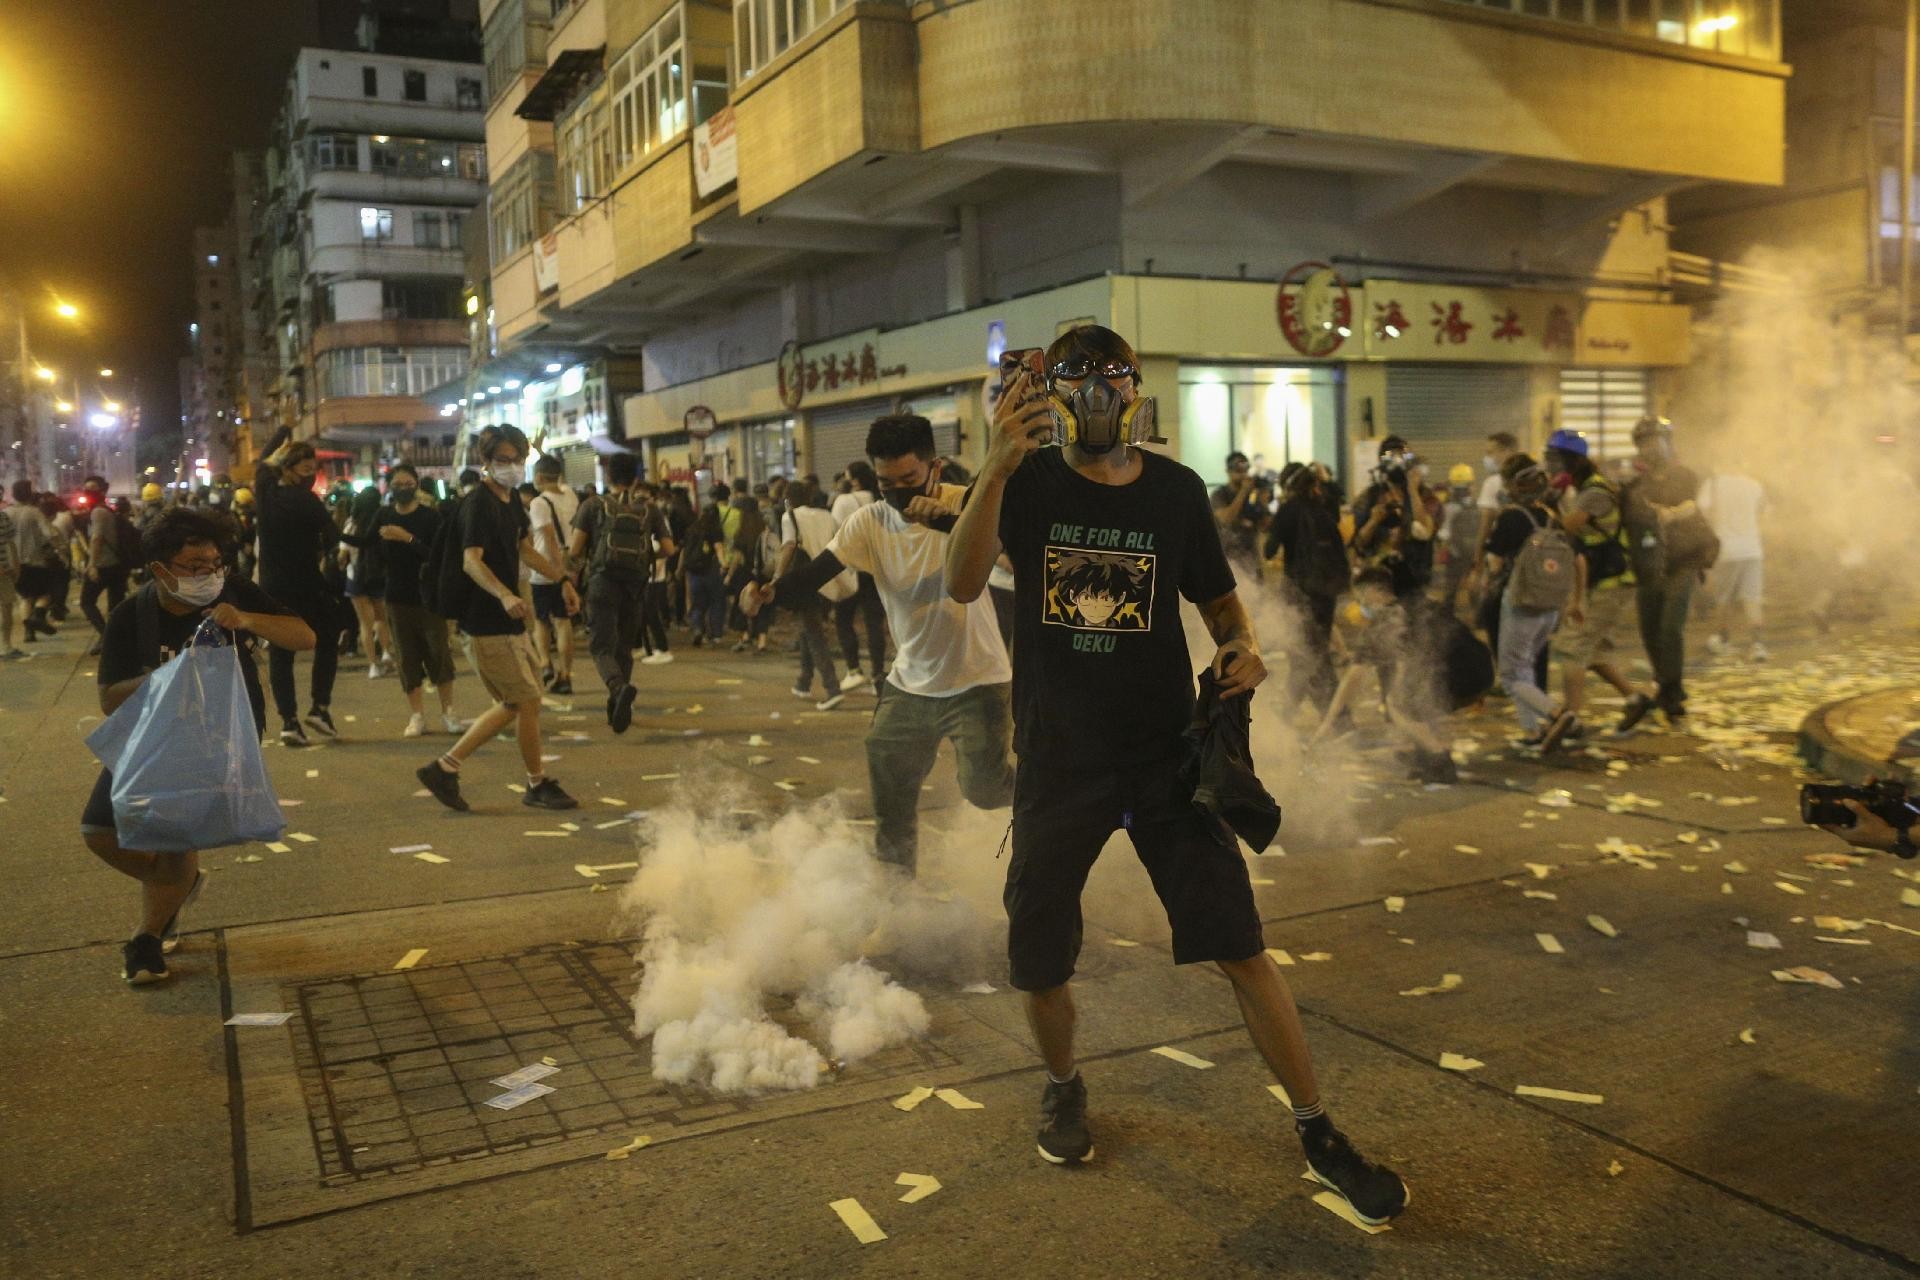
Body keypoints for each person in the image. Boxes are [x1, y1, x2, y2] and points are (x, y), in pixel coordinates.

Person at [943, 324, 1407, 1224]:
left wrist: (1245, 650)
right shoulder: (1027, 484)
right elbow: (963, 584)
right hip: (1058, 763)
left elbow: (1222, 606)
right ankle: (1064, 1085)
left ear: (1135, 390)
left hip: (1164, 757)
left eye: (1110, 381)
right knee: (1039, 958)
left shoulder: (1177, 491)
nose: (1097, 399)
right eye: (1077, 383)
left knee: (1240, 945)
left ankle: (1319, 1131)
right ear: (1053, 397)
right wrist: (995, 465)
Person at [756, 418, 1017, 869]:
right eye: (885, 483)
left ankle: (1052, 796)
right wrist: (767, 593)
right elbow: (814, 577)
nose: (896, 493)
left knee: (985, 789)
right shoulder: (869, 522)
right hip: (910, 684)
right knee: (891, 788)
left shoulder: (971, 503)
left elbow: (1014, 559)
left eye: (908, 481)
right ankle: (897, 907)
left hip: (977, 679)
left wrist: (949, 523)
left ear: (934, 468)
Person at [86, 508, 315, 985]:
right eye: (193, 566)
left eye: (214, 564)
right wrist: (168, 678)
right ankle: (177, 884)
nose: (207, 575)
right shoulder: (133, 615)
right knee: (98, 830)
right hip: (151, 740)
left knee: (175, 839)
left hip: (220, 741)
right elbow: (109, 699)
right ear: (160, 571)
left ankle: (146, 939)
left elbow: (304, 637)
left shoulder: (234, 594)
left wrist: (248, 618)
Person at [415, 425, 582, 812]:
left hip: (508, 621)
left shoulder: (509, 502)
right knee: (519, 701)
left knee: (525, 703)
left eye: (518, 459)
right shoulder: (478, 504)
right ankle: (457, 768)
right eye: (503, 460)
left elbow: (525, 549)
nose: (512, 467)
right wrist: (505, 594)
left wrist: (562, 580)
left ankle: (462, 770)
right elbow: (471, 561)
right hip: (485, 620)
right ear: (486, 462)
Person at [1313, 568, 1489, 783]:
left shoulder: (1387, 621)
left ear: (1375, 591)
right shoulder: (1414, 604)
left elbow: (1352, 679)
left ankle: (1439, 761)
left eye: (1361, 597)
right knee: (1411, 692)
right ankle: (1424, 752)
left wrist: (1328, 722)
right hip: (1482, 670)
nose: (1361, 605)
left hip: (1465, 677)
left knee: (1398, 704)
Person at [1544, 431, 1654, 735]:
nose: (1553, 466)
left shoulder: (1595, 491)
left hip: (1613, 580)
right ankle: (1634, 699)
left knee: (1572, 646)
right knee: (1594, 651)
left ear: (1574, 461)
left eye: (1557, 460)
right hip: (1602, 578)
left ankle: (1571, 718)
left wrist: (1546, 505)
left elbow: (1566, 528)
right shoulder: (1587, 487)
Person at [1483, 461, 1585, 751]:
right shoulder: (1553, 516)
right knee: (1524, 669)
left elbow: (1495, 561)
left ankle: (1559, 715)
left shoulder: (1511, 517)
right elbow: (1576, 559)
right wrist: (1575, 600)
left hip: (1520, 603)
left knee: (1511, 675)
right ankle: (1531, 732)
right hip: (1550, 607)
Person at [569, 452, 674, 733]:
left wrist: (569, 578)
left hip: (602, 582)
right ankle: (617, 704)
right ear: (637, 479)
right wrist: (646, 556)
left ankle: (617, 688)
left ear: (607, 476)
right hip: (635, 584)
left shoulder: (592, 505)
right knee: (624, 646)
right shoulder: (649, 510)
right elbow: (669, 549)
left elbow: (576, 550)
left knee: (601, 645)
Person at [253, 429, 343, 747]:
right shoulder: (309, 502)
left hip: (273, 586)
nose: (310, 476)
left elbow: (262, 461)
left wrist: (282, 433)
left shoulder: (264, 494)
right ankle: (319, 707)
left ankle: (289, 721)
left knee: (282, 652)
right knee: (328, 638)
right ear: (290, 469)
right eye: (306, 470)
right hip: (307, 585)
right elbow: (332, 539)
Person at [1620, 415, 1707, 729]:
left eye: (1655, 440)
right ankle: (1664, 683)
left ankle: (1673, 696)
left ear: (1668, 442)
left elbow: (1693, 505)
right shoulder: (1633, 486)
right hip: (1647, 566)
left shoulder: (1685, 476)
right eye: (1644, 442)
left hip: (1681, 562)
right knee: (1651, 631)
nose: (1650, 447)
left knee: (1671, 628)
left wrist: (1669, 514)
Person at [369, 464, 462, 738]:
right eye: (398, 483)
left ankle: (449, 712)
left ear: (417, 484)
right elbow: (371, 550)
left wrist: (406, 538)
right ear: (389, 486)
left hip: (428, 597)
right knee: (407, 658)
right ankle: (417, 715)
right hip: (396, 597)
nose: (403, 488)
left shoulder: (430, 518)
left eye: (408, 483)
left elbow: (437, 556)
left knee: (439, 654)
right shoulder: (383, 516)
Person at [1263, 461, 1350, 714]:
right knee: (1313, 655)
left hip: (1299, 594)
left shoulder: (1288, 510)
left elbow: (1269, 551)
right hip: (1327, 595)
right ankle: (1328, 717)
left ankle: (1335, 719)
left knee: (1307, 657)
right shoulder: (1324, 510)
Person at [1351, 437, 1441, 601]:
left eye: (1403, 458)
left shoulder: (1425, 496)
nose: (1397, 464)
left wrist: (1412, 490)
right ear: (1381, 461)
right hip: (1379, 582)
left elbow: (1425, 529)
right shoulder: (1369, 497)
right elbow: (1358, 543)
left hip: (1415, 578)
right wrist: (1374, 521)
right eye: (1391, 457)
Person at [1699, 462, 1767, 662]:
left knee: (1724, 598)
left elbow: (1701, 511)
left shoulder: (1713, 484)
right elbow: (1763, 513)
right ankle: (1757, 644)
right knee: (1752, 598)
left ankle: (1723, 639)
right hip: (1752, 549)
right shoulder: (1754, 484)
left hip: (1726, 550)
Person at [831, 459, 888, 690]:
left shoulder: (844, 501)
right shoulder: (880, 498)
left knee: (843, 619)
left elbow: (835, 534)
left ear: (853, 479)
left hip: (850, 568)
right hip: (875, 569)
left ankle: (854, 669)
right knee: (874, 622)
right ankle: (877, 675)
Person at [527, 454, 581, 693]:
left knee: (541, 620)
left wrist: (557, 572)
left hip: (544, 569)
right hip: (569, 566)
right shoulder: (570, 496)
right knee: (563, 622)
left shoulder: (538, 503)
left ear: (538, 477)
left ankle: (545, 663)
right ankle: (566, 675)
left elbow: (548, 538)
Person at [341, 483, 395, 679]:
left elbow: (343, 552)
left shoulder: (351, 523)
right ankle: (387, 652)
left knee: (365, 623)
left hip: (356, 576)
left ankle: (373, 666)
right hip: (378, 575)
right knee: (381, 618)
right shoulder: (383, 521)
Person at [78, 476, 134, 655]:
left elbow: (97, 539)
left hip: (104, 565)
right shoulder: (106, 510)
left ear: (103, 490)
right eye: (86, 489)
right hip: (117, 566)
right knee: (114, 606)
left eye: (93, 488)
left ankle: (106, 637)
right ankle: (114, 640)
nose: (89, 492)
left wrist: (92, 565)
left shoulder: (98, 512)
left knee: (86, 601)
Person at [1212, 450, 1273, 571]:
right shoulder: (1220, 494)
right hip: (1227, 563)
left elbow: (1265, 527)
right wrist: (1243, 491)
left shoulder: (1253, 496)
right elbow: (1225, 519)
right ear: (1228, 471)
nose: (1243, 475)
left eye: (1245, 470)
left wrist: (1264, 504)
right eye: (1238, 471)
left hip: (1252, 563)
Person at [684, 487, 729, 645]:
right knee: (717, 601)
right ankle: (716, 634)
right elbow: (718, 548)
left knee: (698, 603)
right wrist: (724, 564)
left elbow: (685, 550)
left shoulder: (692, 528)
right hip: (711, 571)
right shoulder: (715, 529)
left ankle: (698, 629)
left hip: (694, 572)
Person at [1472, 430, 1521, 576]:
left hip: (1501, 556)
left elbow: (1486, 524)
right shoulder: (1535, 480)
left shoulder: (1493, 483)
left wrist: (1477, 562)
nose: (1487, 458)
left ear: (1507, 452)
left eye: (1490, 452)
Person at [1438, 463, 1479, 607]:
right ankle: (1478, 620)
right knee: (1475, 590)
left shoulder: (1448, 506)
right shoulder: (1477, 505)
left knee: (1450, 590)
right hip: (1475, 554)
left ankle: (1446, 619)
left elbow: (1444, 534)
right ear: (1471, 485)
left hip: (1455, 553)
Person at [0, 490, 19, 659]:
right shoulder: (3, 518)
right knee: (6, 607)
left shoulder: (4, 517)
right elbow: (11, 544)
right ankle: (5, 645)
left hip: (4, 570)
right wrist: (16, 566)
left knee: (7, 607)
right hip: (3, 571)